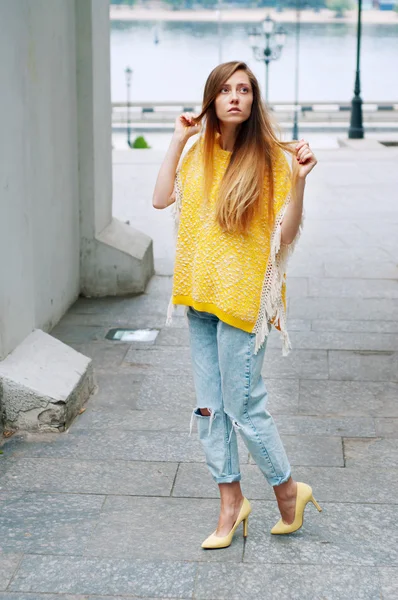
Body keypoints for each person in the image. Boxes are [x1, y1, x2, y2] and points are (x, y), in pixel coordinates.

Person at [152, 61, 321, 550]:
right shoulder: (196, 156)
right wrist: (177, 140)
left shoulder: (271, 161)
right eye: (225, 90)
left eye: (243, 90)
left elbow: (284, 237)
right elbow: (162, 199)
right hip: (199, 299)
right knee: (209, 408)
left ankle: (288, 488)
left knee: (243, 408)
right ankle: (231, 502)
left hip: (245, 303)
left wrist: (302, 181)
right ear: (212, 98)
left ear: (253, 101)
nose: (234, 97)